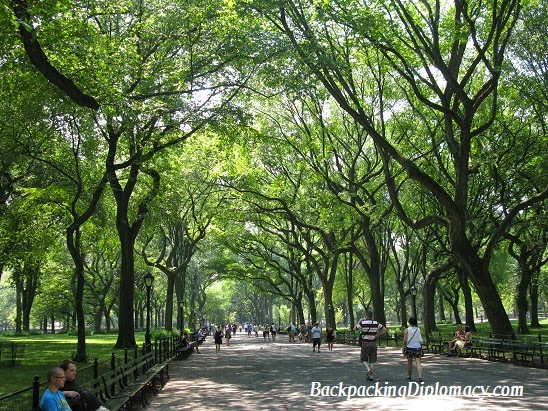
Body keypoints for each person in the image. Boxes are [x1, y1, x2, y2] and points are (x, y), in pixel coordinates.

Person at [355, 311, 387, 381]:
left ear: (366, 316)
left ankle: (368, 369)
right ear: (371, 316)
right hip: (373, 343)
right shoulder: (376, 323)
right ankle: (371, 376)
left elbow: (354, 329)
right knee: (372, 360)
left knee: (363, 358)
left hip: (365, 343)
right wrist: (378, 334)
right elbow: (384, 329)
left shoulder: (363, 323)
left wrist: (359, 322)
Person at [403, 317, 424, 382]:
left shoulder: (407, 330)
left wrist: (404, 345)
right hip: (417, 346)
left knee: (410, 362)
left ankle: (409, 376)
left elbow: (405, 340)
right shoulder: (418, 329)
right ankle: (420, 377)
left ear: (409, 322)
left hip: (410, 347)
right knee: (418, 362)